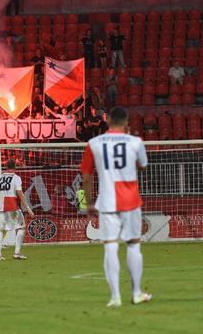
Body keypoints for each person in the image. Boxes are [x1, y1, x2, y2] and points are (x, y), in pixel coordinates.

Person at [80, 106, 152, 307]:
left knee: (110, 247)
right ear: (126, 122)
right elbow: (143, 165)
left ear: (108, 121)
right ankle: (136, 293)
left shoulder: (93, 143)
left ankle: (115, 297)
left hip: (107, 201)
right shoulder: (135, 142)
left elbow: (86, 177)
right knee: (133, 245)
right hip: (130, 202)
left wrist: (89, 203)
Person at [0, 159, 34, 261]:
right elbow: (20, 193)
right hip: (12, 206)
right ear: (15, 167)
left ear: (6, 167)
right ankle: (17, 253)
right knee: (21, 228)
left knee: (0, 229)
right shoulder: (16, 178)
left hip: (2, 207)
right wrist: (28, 208)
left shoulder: (0, 177)